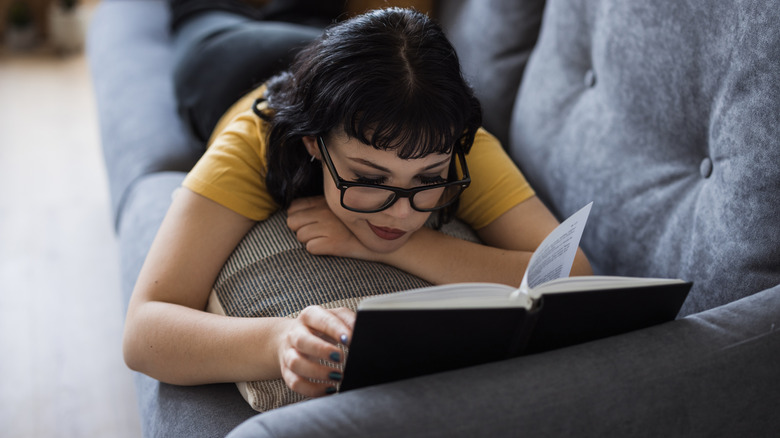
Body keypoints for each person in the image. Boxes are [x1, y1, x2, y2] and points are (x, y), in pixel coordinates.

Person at [123, 5, 592, 400]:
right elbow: (144, 333)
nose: (403, 213)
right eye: (370, 178)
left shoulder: (453, 144)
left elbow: (576, 277)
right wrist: (279, 340)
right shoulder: (252, 146)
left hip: (319, 56)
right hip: (221, 54)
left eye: (428, 179)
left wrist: (389, 247)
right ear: (313, 145)